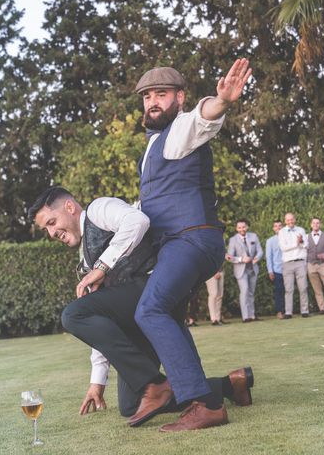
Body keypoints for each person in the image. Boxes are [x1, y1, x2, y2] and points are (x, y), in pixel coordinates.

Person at [85, 59, 251, 432]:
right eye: (146, 97)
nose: (152, 102)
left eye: (161, 94)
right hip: (182, 244)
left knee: (150, 310)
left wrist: (221, 101)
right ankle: (219, 391)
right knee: (169, 315)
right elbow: (147, 209)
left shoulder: (179, 132)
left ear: (179, 97)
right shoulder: (153, 146)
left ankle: (202, 404)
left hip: (190, 239)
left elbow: (202, 118)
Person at [28, 187, 254, 423]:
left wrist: (102, 266)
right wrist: (98, 381)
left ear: (70, 207)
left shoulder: (98, 209)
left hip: (153, 289)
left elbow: (137, 220)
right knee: (131, 405)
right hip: (135, 317)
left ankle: (155, 383)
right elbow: (99, 325)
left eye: (52, 222)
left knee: (73, 314)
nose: (52, 232)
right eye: (47, 229)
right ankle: (230, 385)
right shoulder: (84, 260)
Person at [226, 218, 263, 322]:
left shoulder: (254, 236)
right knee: (245, 290)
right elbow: (229, 257)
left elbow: (260, 251)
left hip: (253, 268)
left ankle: (252, 315)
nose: (242, 229)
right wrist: (241, 259)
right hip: (241, 270)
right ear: (236, 229)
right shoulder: (233, 240)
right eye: (239, 227)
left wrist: (257, 258)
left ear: (247, 227)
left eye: (243, 227)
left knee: (251, 292)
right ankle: (245, 317)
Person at [278, 212, 310, 318]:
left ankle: (304, 311)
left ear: (294, 219)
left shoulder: (301, 230)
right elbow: (283, 247)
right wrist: (296, 244)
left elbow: (306, 245)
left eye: (291, 219)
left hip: (300, 262)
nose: (290, 221)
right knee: (289, 289)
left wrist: (300, 242)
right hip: (287, 263)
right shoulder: (281, 232)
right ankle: (288, 312)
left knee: (303, 287)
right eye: (288, 220)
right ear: (285, 221)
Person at [265, 219, 285, 319]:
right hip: (277, 270)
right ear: (273, 228)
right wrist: (270, 271)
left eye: (280, 226)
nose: (278, 228)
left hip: (289, 268)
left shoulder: (288, 238)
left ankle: (288, 311)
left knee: (289, 291)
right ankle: (280, 311)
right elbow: (269, 257)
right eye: (276, 226)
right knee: (279, 291)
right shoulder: (270, 241)